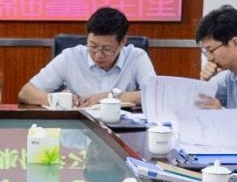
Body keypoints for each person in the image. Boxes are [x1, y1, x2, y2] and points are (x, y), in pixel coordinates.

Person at [19, 6, 155, 108]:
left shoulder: (136, 57)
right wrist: (58, 100)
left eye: (107, 49)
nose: (98, 54)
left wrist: (109, 97)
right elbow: (26, 93)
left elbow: (155, 95)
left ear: (123, 42)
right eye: (93, 46)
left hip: (123, 131)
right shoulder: (70, 57)